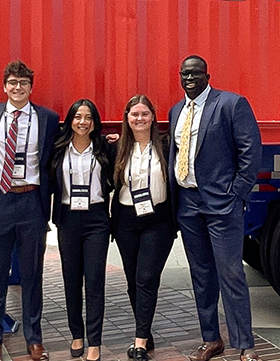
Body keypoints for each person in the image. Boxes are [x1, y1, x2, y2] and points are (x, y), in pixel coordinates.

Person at [169, 55, 263, 361]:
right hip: (188, 204)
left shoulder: (231, 104)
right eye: (184, 74)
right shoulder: (176, 111)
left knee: (231, 273)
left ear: (208, 76)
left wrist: (236, 193)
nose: (189, 78)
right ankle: (211, 339)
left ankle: (245, 344)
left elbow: (251, 151)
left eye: (195, 73)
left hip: (222, 204)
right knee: (201, 275)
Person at [0, 61, 59, 361]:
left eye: (23, 82)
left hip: (31, 201)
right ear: (4, 86)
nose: (18, 87)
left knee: (32, 274)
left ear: (31, 87)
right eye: (12, 82)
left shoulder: (48, 118)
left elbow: (62, 148)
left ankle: (34, 339)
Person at [112, 95, 176, 361]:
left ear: (153, 116)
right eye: (134, 114)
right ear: (127, 118)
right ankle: (145, 331)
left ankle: (139, 342)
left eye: (144, 114)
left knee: (146, 278)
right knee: (132, 281)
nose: (139, 119)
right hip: (126, 220)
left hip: (158, 220)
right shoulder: (117, 148)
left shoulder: (166, 145)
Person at [51, 99, 114, 361]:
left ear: (94, 122)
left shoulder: (104, 147)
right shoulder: (57, 148)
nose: (82, 122)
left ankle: (94, 341)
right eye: (78, 117)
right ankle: (77, 334)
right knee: (72, 280)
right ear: (70, 120)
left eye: (88, 117)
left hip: (96, 219)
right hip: (68, 219)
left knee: (95, 281)